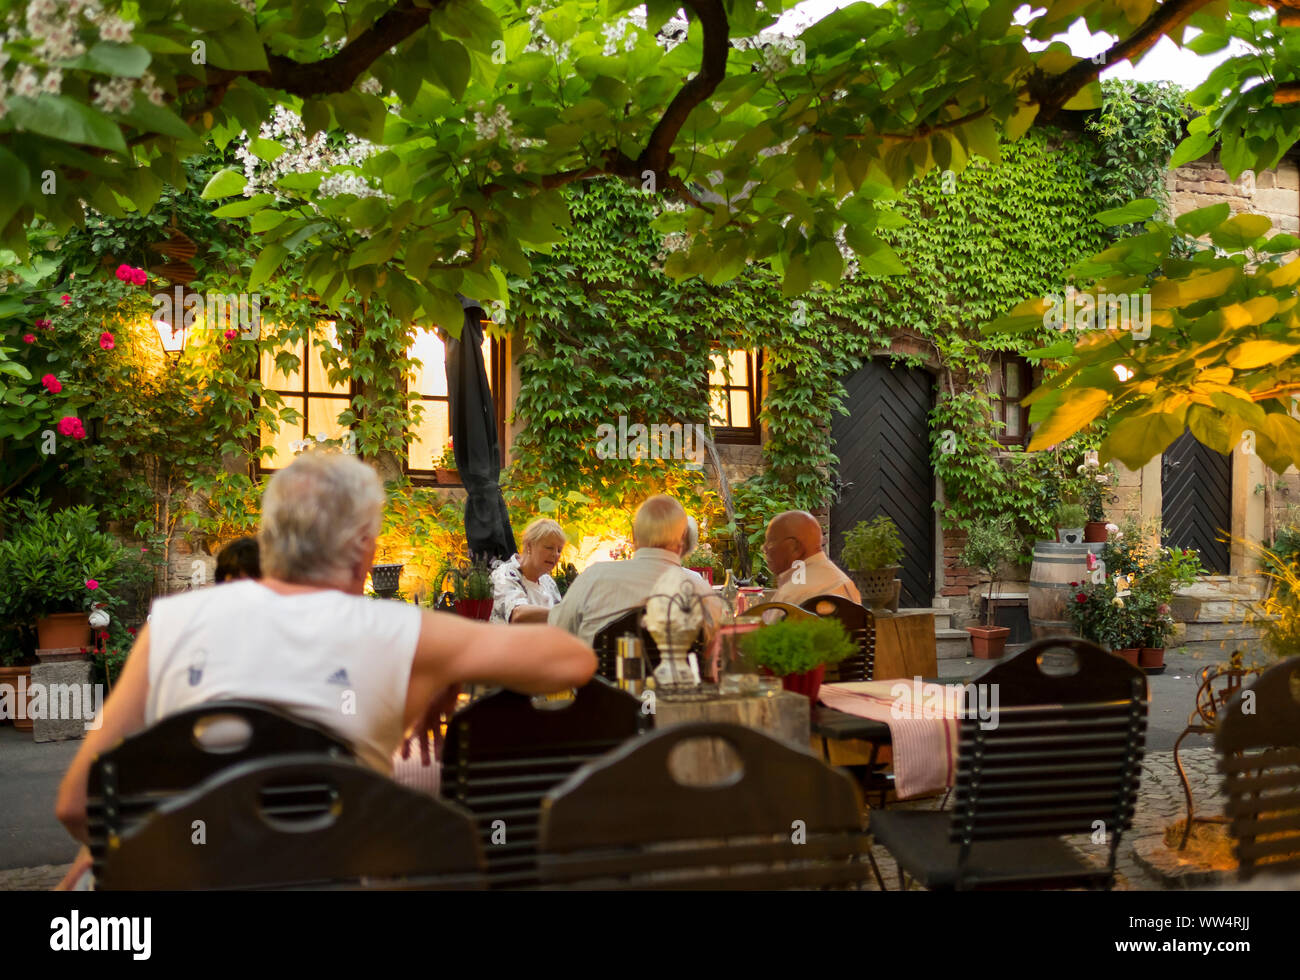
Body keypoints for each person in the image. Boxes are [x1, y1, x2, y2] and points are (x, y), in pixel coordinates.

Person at [54, 451, 595, 886]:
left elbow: (78, 804)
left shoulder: (172, 623)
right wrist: (448, 668)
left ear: (270, 537)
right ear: (363, 548)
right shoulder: (400, 632)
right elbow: (573, 660)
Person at [549, 495, 723, 645]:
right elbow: (712, 654)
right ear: (684, 538)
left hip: (598, 684)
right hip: (679, 683)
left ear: (633, 535)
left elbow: (557, 633)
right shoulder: (703, 594)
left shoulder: (595, 577)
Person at [764, 510, 862, 606]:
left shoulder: (791, 595)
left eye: (771, 542)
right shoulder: (846, 585)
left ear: (794, 547)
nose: (764, 548)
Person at [490, 518, 565, 624]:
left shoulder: (548, 582)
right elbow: (518, 615)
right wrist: (566, 614)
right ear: (529, 545)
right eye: (549, 547)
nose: (555, 554)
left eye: (559, 550)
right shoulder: (505, 575)